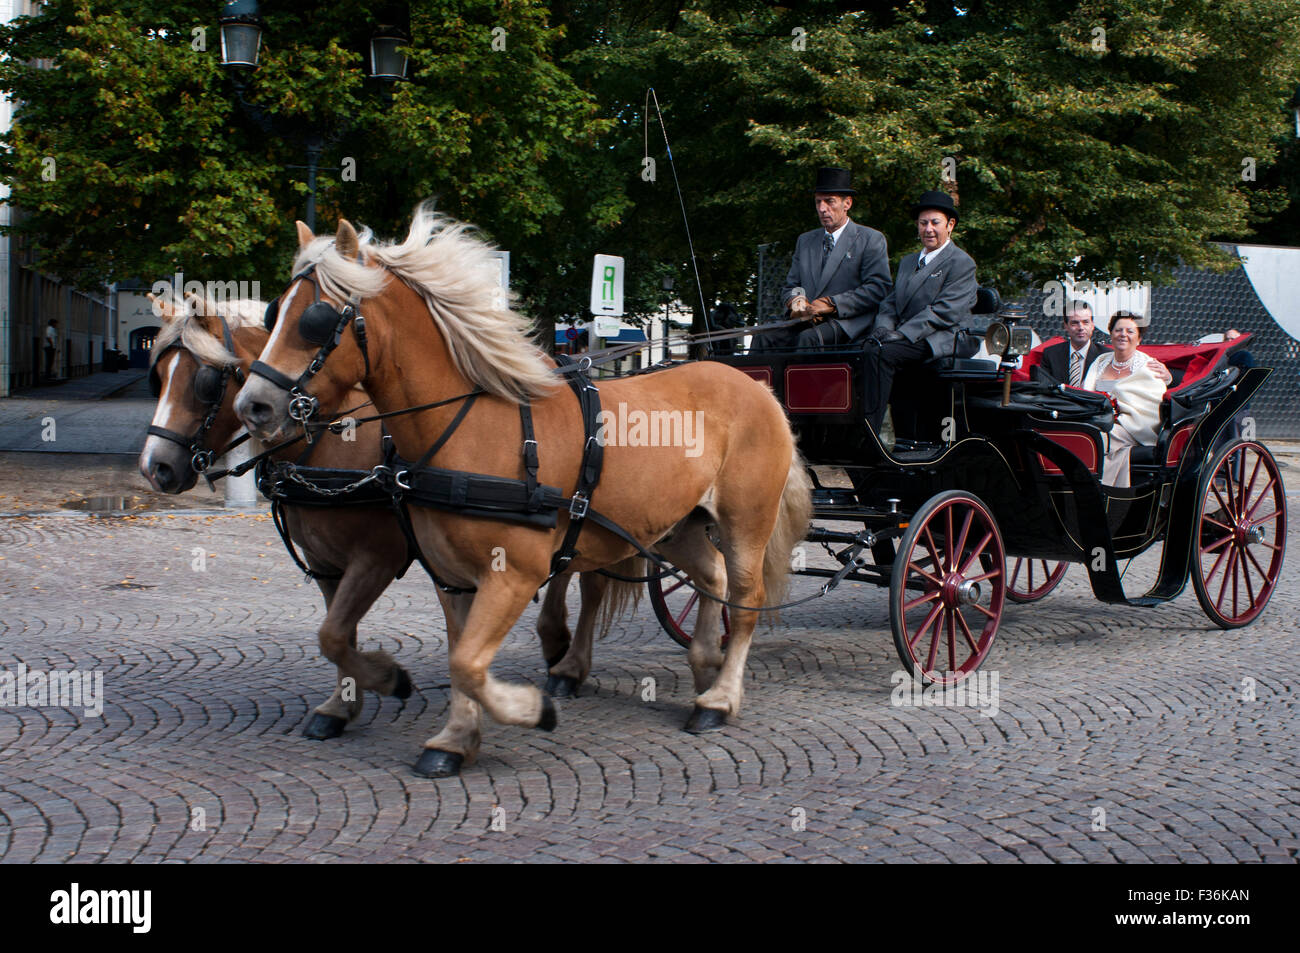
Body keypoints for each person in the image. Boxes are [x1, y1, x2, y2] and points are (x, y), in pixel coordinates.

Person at [862, 190, 978, 436]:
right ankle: (899, 436)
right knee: (870, 346)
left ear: (950, 225)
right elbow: (890, 303)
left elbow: (944, 311)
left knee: (883, 353)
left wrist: (902, 334)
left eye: (935, 223)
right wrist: (883, 329)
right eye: (923, 223)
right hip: (911, 336)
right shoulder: (908, 262)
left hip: (946, 336)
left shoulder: (961, 262)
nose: (928, 229)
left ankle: (869, 431)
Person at [758, 167, 892, 349]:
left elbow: (877, 288)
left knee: (809, 339)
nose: (822, 209)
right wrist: (797, 302)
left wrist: (831, 304)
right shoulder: (805, 241)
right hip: (806, 320)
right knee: (763, 337)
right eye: (818, 202)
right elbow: (792, 286)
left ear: (847, 204)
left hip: (847, 323)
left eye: (829, 202)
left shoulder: (871, 239)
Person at [1082, 311, 1167, 488]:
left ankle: (1099, 490)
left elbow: (1151, 407)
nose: (1123, 335)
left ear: (1139, 338)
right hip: (1095, 419)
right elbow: (1086, 393)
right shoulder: (1101, 361)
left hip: (1131, 425)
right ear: (1111, 334)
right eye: (1118, 330)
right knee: (1083, 432)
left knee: (1098, 438)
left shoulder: (1148, 366)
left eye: (1130, 331)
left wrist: (1116, 416)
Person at [1040, 300, 1171, 385]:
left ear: (1093, 325)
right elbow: (1043, 388)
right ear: (1066, 326)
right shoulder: (1051, 354)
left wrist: (1167, 378)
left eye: (1086, 322)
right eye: (1074, 323)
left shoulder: (1105, 357)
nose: (1081, 327)